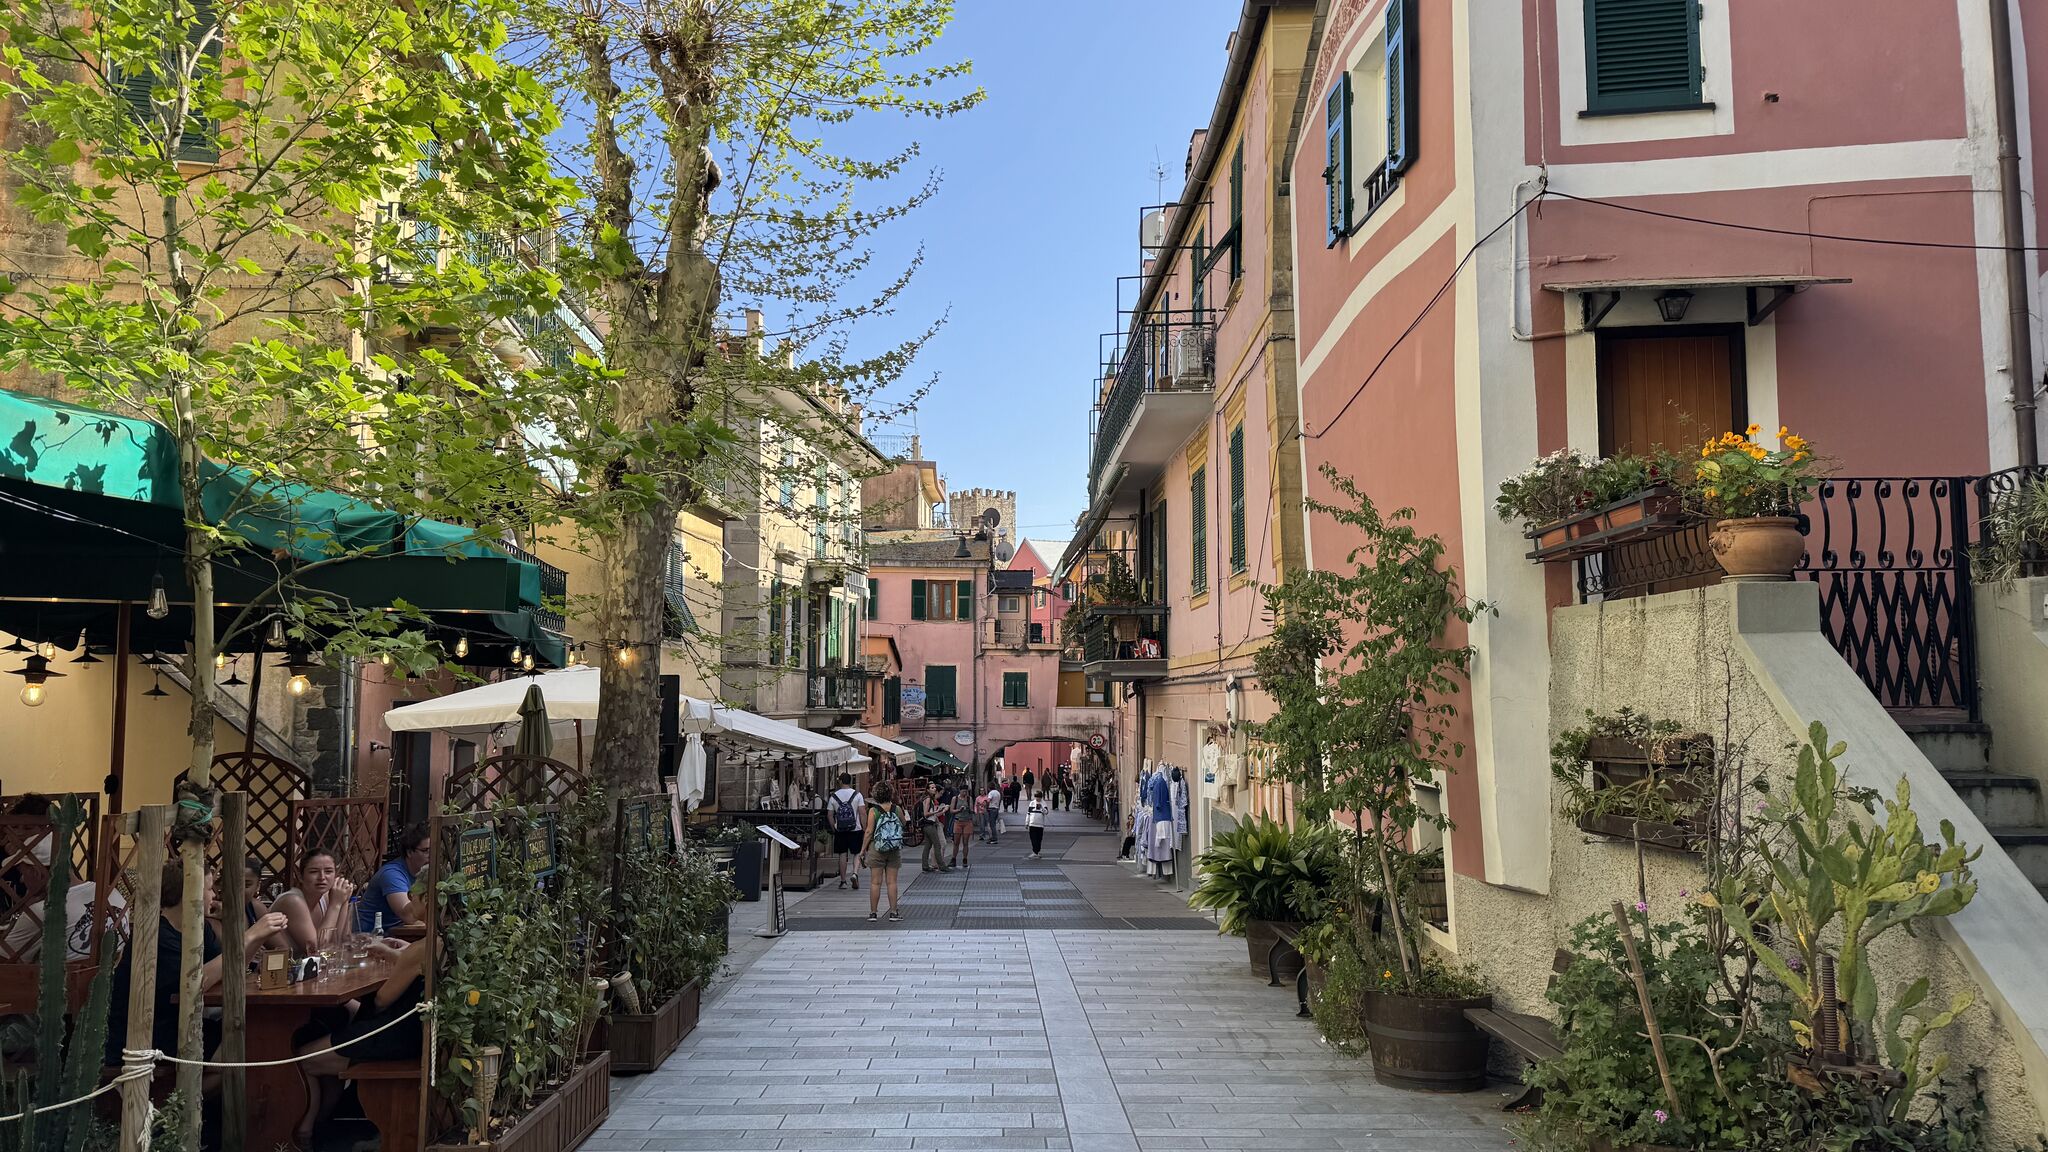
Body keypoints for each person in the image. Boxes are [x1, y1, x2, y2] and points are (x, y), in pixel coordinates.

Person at [107, 862, 290, 1068]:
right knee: (255, 1049)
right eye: (209, 888)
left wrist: (255, 938)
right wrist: (249, 937)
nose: (214, 895)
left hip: (184, 1023)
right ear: (190, 893)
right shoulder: (156, 935)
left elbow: (229, 968)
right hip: (147, 1035)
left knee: (260, 1038)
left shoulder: (198, 928)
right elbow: (193, 985)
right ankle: (190, 1097)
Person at [291, 934, 427, 1146]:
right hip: (415, 1034)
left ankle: (304, 1134)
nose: (410, 900)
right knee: (337, 1030)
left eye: (415, 898)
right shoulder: (441, 942)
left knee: (303, 1059)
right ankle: (322, 1123)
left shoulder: (422, 948)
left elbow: (382, 1001)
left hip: (396, 1036)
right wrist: (394, 954)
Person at [271, 847, 356, 955]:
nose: (322, 877)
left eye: (328, 871)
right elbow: (315, 950)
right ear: (301, 877)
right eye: (314, 871)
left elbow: (341, 942)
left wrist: (344, 901)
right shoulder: (293, 900)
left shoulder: (328, 897)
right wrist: (336, 905)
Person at [358, 825, 429, 934]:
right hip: (371, 938)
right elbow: (409, 916)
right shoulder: (392, 874)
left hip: (399, 934)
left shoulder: (422, 872)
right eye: (426, 851)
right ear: (409, 852)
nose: (432, 855)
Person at [859, 783, 905, 923]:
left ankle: (873, 913)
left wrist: (862, 850)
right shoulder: (897, 809)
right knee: (892, 882)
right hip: (893, 849)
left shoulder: (873, 811)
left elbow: (868, 832)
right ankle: (893, 912)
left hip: (876, 848)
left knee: (875, 882)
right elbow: (903, 823)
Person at [825, 773, 865, 890]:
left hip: (840, 830)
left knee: (842, 854)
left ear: (841, 781)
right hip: (855, 829)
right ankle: (854, 873)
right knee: (856, 853)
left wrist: (834, 828)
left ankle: (843, 881)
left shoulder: (834, 796)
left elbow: (830, 815)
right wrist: (864, 827)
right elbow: (862, 813)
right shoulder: (857, 795)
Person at [918, 781, 948, 873]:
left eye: (934, 787)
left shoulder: (928, 799)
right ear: (927, 790)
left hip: (927, 824)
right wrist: (937, 811)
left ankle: (925, 866)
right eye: (932, 788)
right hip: (929, 824)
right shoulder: (928, 799)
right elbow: (926, 813)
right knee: (937, 845)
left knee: (928, 845)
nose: (934, 789)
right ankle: (941, 866)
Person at [951, 782, 976, 869]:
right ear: (960, 791)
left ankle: (965, 859)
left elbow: (972, 809)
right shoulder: (955, 799)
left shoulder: (969, 799)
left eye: (966, 792)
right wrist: (959, 810)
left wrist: (970, 809)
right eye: (963, 792)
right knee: (956, 842)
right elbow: (951, 810)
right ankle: (953, 859)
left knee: (965, 842)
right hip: (958, 821)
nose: (965, 793)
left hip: (967, 822)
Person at [1026, 791, 1049, 859]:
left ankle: (1037, 851)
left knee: (1039, 839)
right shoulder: (1032, 803)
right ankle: (1035, 852)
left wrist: (1042, 808)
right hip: (1032, 824)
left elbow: (1046, 812)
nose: (1037, 799)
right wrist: (1026, 822)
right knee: (1033, 838)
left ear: (1041, 797)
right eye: (1036, 797)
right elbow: (1028, 813)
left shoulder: (1043, 803)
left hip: (1040, 824)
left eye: (1038, 797)